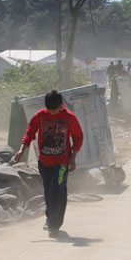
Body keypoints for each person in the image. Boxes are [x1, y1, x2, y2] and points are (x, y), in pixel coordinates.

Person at [14, 90, 84, 238]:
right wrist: (21, 150)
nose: (52, 113)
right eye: (49, 110)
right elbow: (29, 133)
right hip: (44, 162)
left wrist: (73, 158)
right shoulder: (40, 116)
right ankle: (50, 217)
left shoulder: (69, 118)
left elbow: (78, 138)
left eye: (55, 110)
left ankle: (54, 225)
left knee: (57, 190)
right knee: (48, 191)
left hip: (62, 163)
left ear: (61, 105)